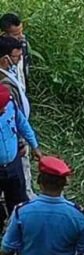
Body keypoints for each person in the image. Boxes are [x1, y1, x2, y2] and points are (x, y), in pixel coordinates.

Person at [0, 84, 40, 229]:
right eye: (0, 107)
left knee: (18, 201)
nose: (4, 109)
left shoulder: (10, 105)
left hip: (13, 165)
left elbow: (22, 124)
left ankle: (18, 230)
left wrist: (35, 146)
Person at [0, 36, 35, 200]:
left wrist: (33, 144)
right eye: (16, 56)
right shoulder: (4, 84)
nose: (20, 58)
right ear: (5, 59)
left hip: (13, 152)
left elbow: (19, 119)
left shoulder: (11, 73)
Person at [0, 13, 29, 90]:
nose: (22, 36)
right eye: (16, 34)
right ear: (4, 33)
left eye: (21, 31)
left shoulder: (23, 44)